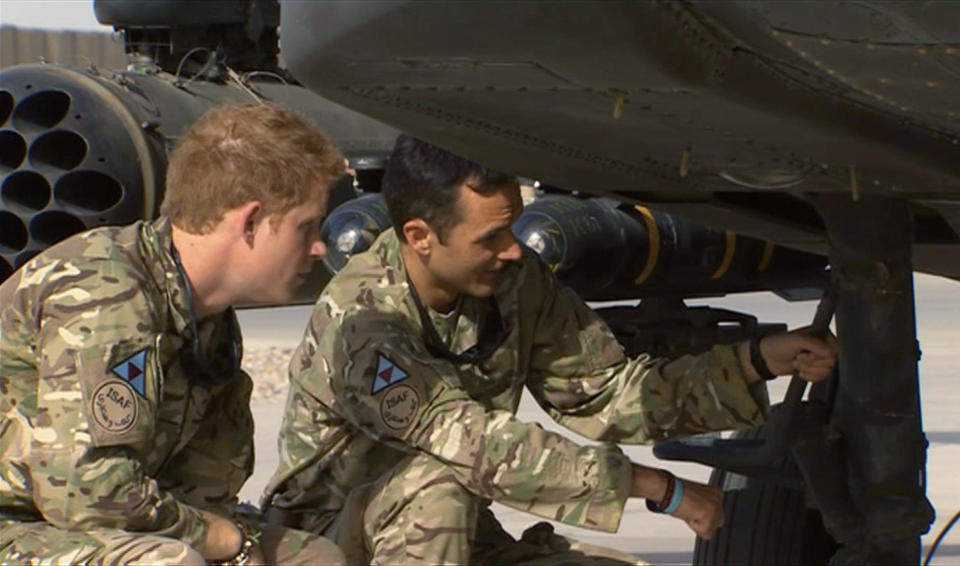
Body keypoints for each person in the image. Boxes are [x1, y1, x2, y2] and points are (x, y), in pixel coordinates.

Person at [261, 135, 838, 565]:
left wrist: (757, 360)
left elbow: (610, 395)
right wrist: (659, 488)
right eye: (490, 237)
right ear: (419, 237)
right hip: (328, 544)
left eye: (512, 228)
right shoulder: (362, 318)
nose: (511, 250)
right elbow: (471, 444)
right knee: (433, 490)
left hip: (452, 538)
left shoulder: (513, 281)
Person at [0, 103, 347, 565]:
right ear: (249, 222)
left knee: (312, 557)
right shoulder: (107, 292)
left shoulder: (205, 319)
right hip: (20, 524)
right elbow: (87, 492)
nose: (318, 246)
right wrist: (222, 540)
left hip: (93, 530)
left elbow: (202, 485)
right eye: (305, 227)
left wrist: (225, 537)